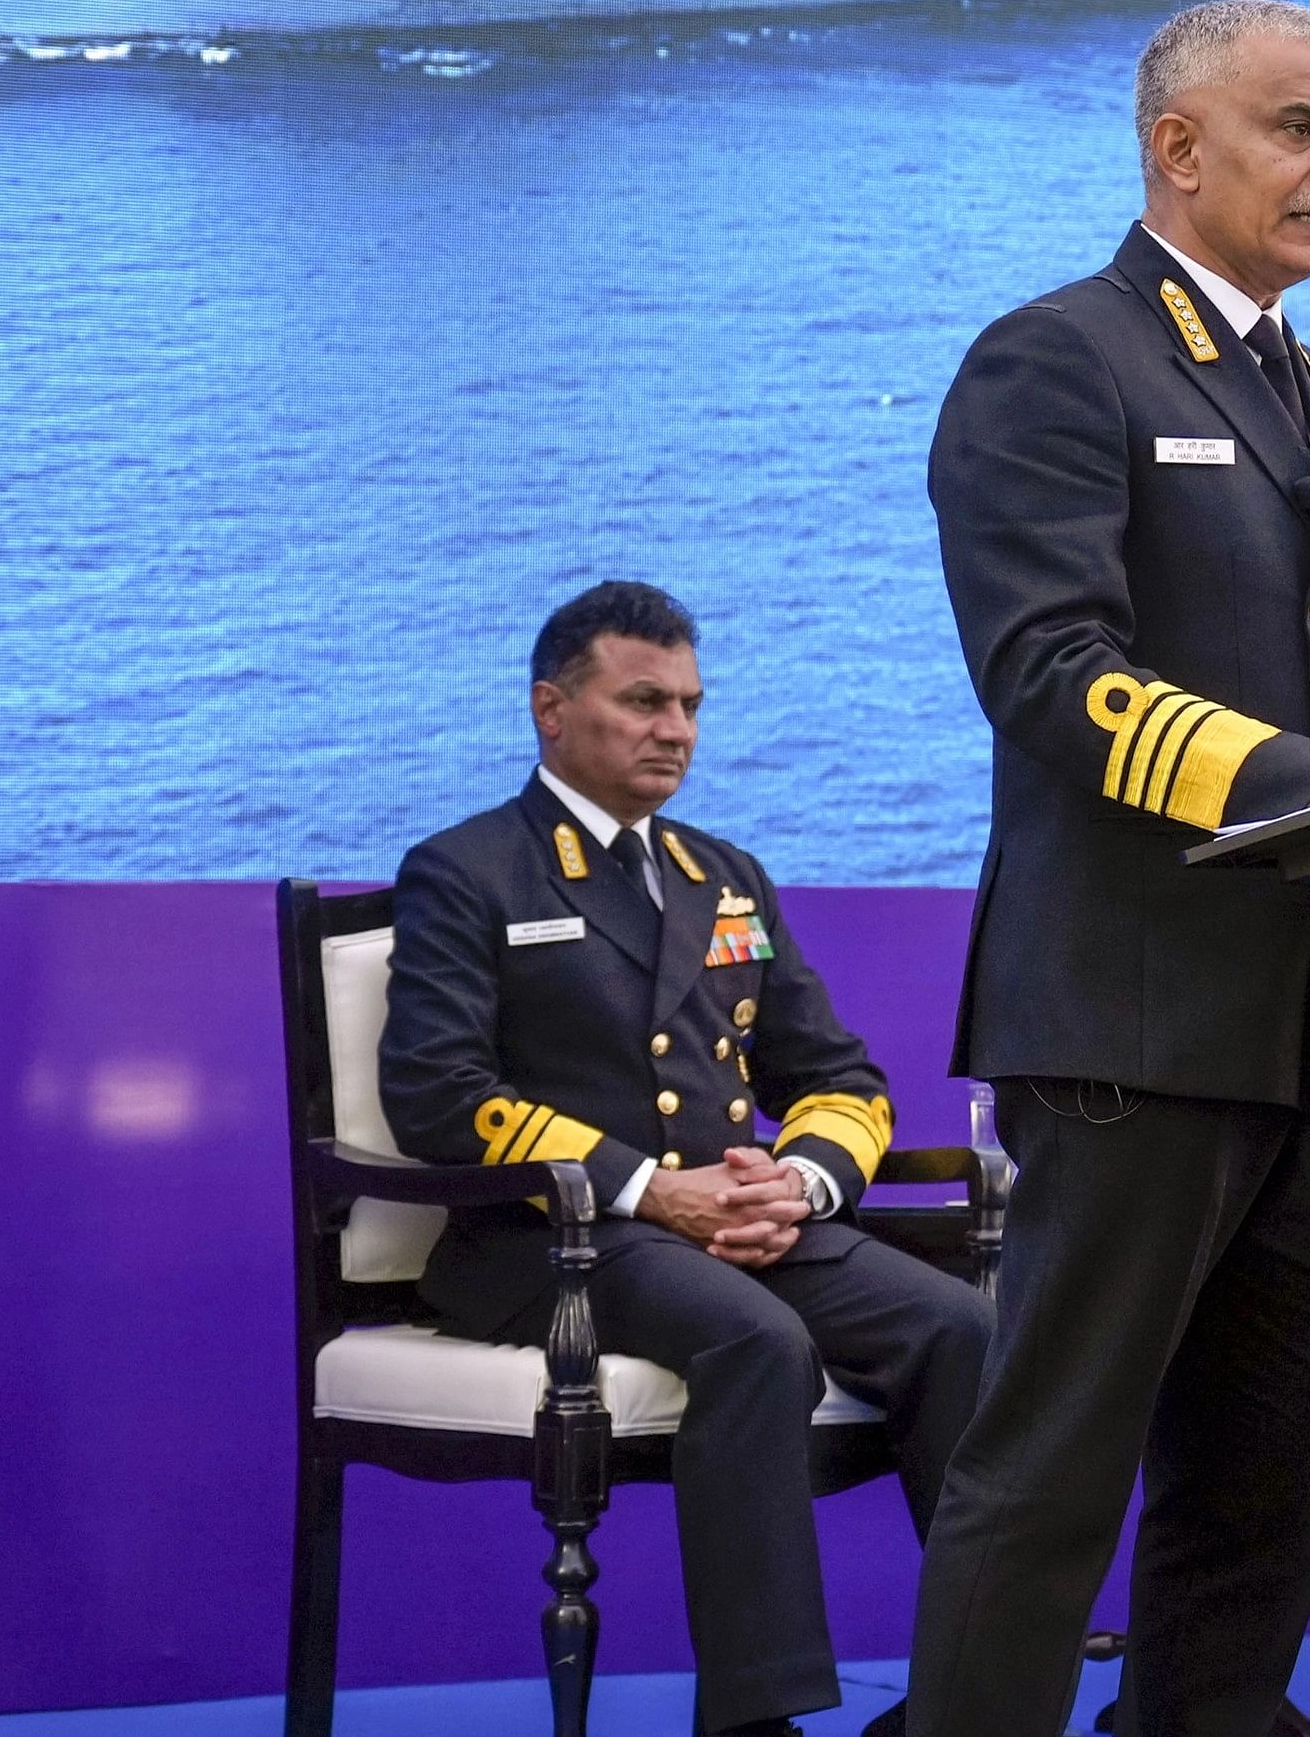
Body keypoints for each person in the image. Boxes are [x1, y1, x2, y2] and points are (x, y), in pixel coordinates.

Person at [908, 0, 1310, 1737]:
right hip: (1138, 1018)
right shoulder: (1060, 361)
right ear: (1181, 147)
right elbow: (1052, 671)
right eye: (1304, 130)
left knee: (1269, 1493)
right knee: (1053, 1472)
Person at [382, 581, 990, 1737]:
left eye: (692, 706)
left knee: (961, 1329)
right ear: (550, 711)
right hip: (551, 1241)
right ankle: (755, 1723)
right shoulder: (467, 872)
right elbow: (438, 1094)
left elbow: (841, 1081)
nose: (676, 731)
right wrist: (654, 1190)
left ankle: (968, 1700)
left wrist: (796, 1180)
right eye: (643, 701)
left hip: (737, 1219)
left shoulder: (726, 875)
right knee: (758, 1339)